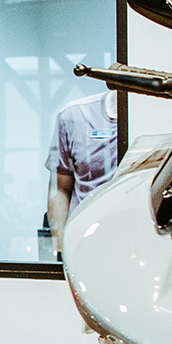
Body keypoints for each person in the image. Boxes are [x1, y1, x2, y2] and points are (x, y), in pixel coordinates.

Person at [46, 89, 118, 257]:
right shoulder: (74, 115)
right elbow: (60, 188)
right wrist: (60, 250)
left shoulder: (162, 116)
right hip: (84, 244)